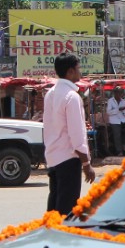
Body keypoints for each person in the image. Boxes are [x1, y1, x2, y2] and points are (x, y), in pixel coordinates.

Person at [42, 52, 95, 214]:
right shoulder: (71, 97)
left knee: (54, 207)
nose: (80, 72)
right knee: (66, 209)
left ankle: (50, 236)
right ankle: (60, 237)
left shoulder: (51, 94)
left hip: (53, 157)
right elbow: (77, 134)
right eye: (78, 69)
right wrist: (86, 164)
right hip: (68, 158)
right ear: (70, 71)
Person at [106, 87, 125, 156]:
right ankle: (119, 151)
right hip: (114, 120)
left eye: (121, 93)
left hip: (122, 118)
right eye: (118, 93)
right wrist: (118, 109)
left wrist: (124, 110)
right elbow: (108, 112)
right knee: (117, 135)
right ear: (115, 93)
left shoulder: (123, 101)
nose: (120, 95)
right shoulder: (110, 101)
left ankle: (123, 142)